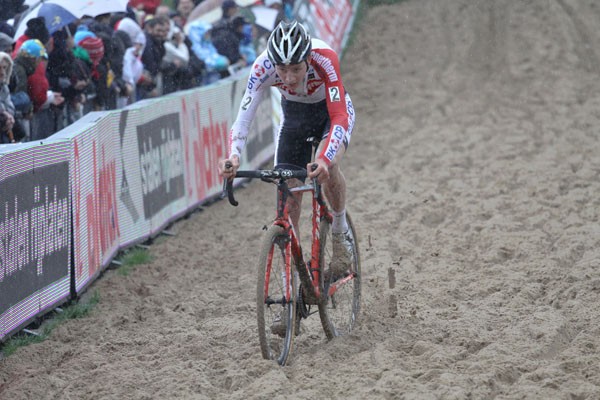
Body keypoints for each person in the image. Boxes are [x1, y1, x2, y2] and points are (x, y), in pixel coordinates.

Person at [218, 20, 356, 277]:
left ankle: (340, 232)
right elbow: (243, 118)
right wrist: (233, 156)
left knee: (329, 164)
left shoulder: (324, 58)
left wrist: (324, 159)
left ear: (307, 59)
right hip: (295, 118)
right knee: (288, 193)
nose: (289, 78)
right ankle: (290, 285)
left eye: (296, 69)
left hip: (330, 114)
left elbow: (339, 116)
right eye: (282, 70)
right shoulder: (262, 67)